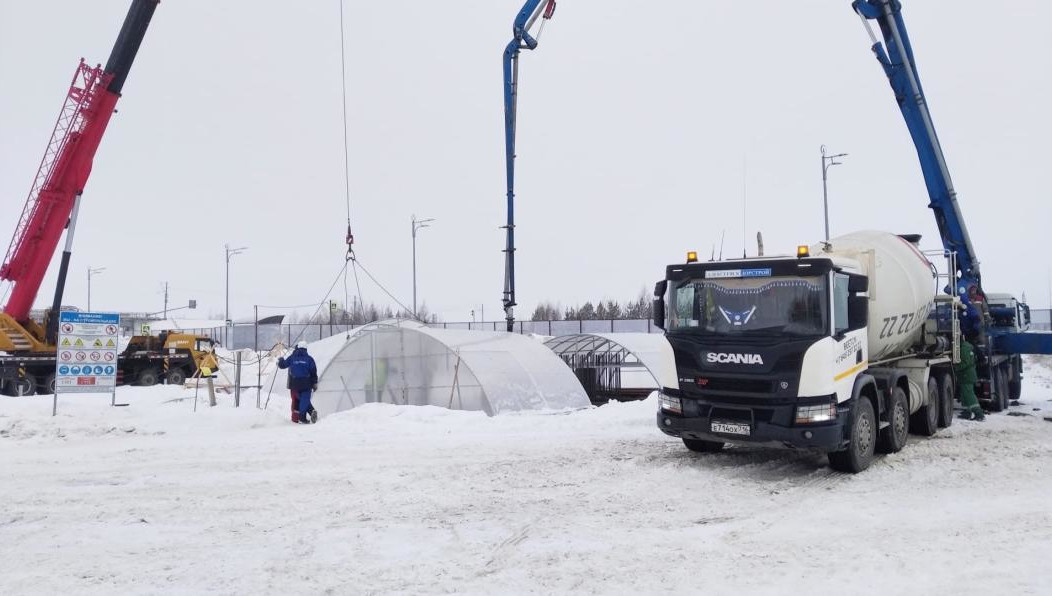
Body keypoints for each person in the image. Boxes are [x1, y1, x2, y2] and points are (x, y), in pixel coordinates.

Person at [278, 340, 319, 424]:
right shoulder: (309, 359)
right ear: (306, 349)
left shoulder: (292, 357)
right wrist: (314, 383)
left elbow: (283, 365)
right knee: (305, 399)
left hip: (295, 383)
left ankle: (310, 412)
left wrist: (281, 360)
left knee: (300, 398)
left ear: (297, 348)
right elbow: (313, 372)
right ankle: (303, 417)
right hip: (306, 382)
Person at [955, 338, 985, 421]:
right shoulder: (967, 346)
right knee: (964, 395)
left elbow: (965, 362)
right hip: (966, 375)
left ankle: (979, 413)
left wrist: (955, 368)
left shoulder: (964, 348)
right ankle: (967, 412)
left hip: (966, 375)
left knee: (969, 395)